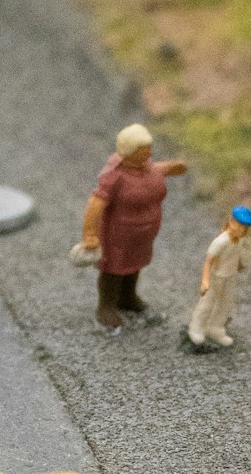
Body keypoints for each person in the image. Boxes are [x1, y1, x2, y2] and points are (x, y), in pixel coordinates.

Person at [74, 123, 188, 332]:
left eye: (149, 150)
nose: (150, 153)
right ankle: (106, 306)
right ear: (129, 151)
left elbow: (155, 170)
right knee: (113, 269)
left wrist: (172, 168)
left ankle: (128, 297)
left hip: (142, 234)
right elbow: (96, 203)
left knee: (134, 264)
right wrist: (89, 234)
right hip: (117, 234)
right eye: (144, 151)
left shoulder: (146, 167)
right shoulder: (114, 176)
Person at [186, 205, 251, 350]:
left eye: (245, 227)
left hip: (229, 276)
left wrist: (239, 265)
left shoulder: (239, 240)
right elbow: (208, 262)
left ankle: (215, 328)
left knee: (225, 303)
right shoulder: (220, 242)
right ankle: (196, 328)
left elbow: (236, 254)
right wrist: (205, 281)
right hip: (216, 276)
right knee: (207, 303)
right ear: (231, 221)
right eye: (241, 226)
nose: (243, 230)